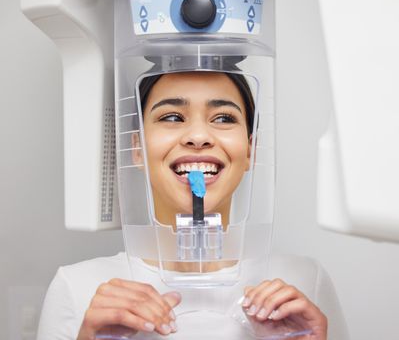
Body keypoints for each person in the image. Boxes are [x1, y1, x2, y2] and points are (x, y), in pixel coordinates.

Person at [37, 72, 350, 340]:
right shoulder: (77, 288)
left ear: (250, 150)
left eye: (224, 118)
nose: (199, 136)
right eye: (172, 117)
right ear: (137, 148)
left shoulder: (305, 282)